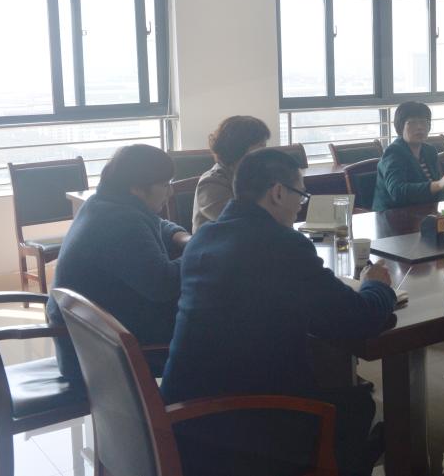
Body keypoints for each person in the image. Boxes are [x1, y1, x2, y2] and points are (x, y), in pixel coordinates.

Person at [161, 149, 396, 476]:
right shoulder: (280, 244)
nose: (300, 205)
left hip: (181, 416)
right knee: (357, 406)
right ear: (278, 192)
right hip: (235, 425)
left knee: (336, 388)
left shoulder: (205, 236)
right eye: (300, 195)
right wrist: (377, 285)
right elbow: (358, 319)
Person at [47, 144, 189, 380]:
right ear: (137, 187)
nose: (170, 192)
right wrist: (197, 253)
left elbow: (156, 223)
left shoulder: (102, 204)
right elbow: (163, 284)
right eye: (165, 185)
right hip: (107, 354)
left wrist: (181, 236)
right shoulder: (121, 222)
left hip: (87, 341)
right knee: (215, 332)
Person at [372, 101, 444, 212]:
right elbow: (397, 192)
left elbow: (438, 191)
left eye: (424, 122)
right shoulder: (393, 153)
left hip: (426, 212)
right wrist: (438, 185)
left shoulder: (430, 151)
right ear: (401, 127)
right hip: (393, 216)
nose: (419, 127)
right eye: (412, 123)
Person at [192, 115, 270, 232]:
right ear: (238, 148)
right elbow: (237, 222)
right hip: (219, 242)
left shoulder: (255, 175)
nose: (265, 153)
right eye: (260, 147)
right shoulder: (211, 182)